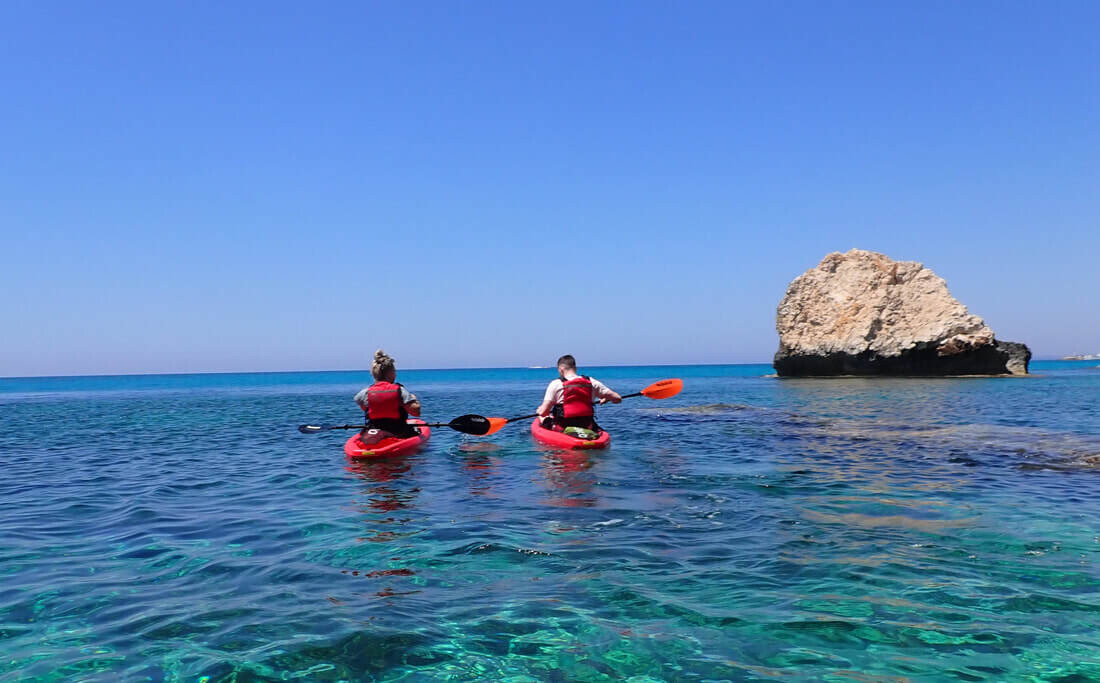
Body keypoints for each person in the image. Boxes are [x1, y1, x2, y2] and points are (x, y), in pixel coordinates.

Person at [535, 355, 621, 433]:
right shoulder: (591, 382)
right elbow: (618, 399)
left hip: (563, 427)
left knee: (542, 416)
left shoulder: (555, 384)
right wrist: (607, 398)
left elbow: (544, 412)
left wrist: (539, 410)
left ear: (560, 369)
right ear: (575, 368)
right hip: (587, 426)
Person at [354, 350, 421, 439]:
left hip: (374, 431)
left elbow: (364, 407)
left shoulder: (366, 392)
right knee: (416, 431)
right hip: (398, 431)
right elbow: (416, 413)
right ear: (391, 373)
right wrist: (414, 399)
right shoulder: (400, 391)